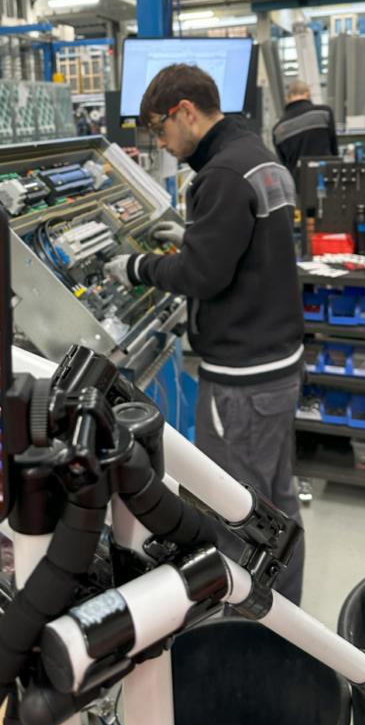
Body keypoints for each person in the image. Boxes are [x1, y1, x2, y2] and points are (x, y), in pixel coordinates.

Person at [103, 63, 305, 605]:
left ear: (185, 111)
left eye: (160, 128)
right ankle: (286, 616)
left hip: (241, 379)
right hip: (279, 366)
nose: (161, 144)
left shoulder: (219, 176)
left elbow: (201, 275)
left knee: (234, 509)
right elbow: (246, 247)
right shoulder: (259, 157)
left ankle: (241, 627)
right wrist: (194, 233)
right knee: (277, 504)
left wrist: (136, 267)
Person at [272, 80, 338, 190]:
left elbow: (284, 164)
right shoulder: (324, 113)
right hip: (327, 180)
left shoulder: (278, 129)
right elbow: (334, 148)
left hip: (299, 187)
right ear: (308, 93)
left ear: (287, 100)